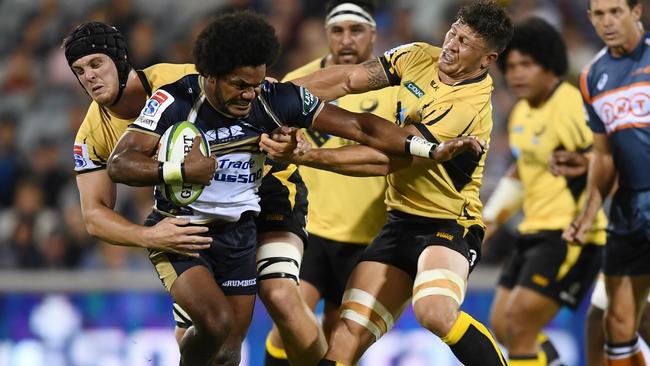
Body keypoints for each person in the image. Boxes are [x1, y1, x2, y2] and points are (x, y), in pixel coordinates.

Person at [106, 11, 480, 366]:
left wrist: (429, 148)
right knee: (217, 324)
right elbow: (120, 163)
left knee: (229, 350)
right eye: (240, 85)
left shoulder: (272, 98)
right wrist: (179, 169)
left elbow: (361, 127)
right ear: (211, 75)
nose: (250, 95)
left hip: (240, 231)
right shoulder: (174, 100)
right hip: (183, 231)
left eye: (256, 84)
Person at [261, 1, 513, 364]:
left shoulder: (466, 106)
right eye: (452, 33)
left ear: (487, 59)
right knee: (345, 338)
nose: (450, 46)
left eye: (464, 43)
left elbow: (386, 160)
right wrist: (275, 95)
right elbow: (347, 79)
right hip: (398, 224)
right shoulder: (416, 57)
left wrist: (308, 155)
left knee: (434, 311)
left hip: (448, 226)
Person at [64, 20, 310, 365]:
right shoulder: (92, 135)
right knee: (212, 345)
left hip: (269, 187)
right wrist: (150, 235)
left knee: (279, 293)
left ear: (120, 59)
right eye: (79, 70)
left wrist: (294, 128)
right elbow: (93, 215)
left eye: (96, 64)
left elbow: (269, 90)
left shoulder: (176, 80)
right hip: (197, 213)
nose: (88, 76)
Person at [263, 1, 397, 365]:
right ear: (326, 34)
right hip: (309, 231)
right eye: (338, 31)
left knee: (338, 337)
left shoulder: (397, 91)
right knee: (287, 324)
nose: (347, 40)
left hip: (366, 239)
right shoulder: (300, 82)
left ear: (374, 33)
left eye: (356, 30)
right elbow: (272, 149)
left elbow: (396, 160)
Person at [481, 17, 606, 366]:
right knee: (502, 324)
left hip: (568, 234)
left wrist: (587, 160)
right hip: (533, 231)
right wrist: (490, 219)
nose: (517, 74)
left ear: (549, 65)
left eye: (527, 65)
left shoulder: (571, 106)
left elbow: (607, 158)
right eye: (512, 65)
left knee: (520, 320)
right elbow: (523, 168)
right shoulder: (521, 112)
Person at [563, 0, 650, 364]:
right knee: (616, 323)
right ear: (590, 19)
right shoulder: (591, 76)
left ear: (636, 12)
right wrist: (588, 212)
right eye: (599, 14)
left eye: (616, 11)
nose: (607, 22)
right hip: (628, 208)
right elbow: (604, 155)